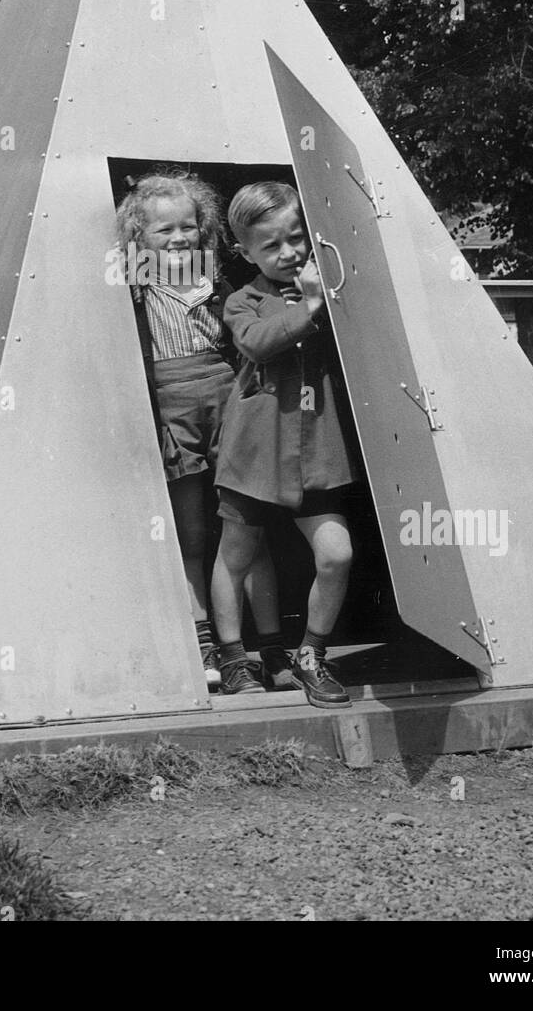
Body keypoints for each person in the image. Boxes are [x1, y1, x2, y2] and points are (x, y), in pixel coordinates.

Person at [115, 171, 296, 695]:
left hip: (230, 404)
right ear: (137, 238)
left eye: (189, 227)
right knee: (191, 533)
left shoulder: (217, 281)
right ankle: (203, 641)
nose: (179, 239)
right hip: (171, 412)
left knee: (248, 527)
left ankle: (268, 647)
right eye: (163, 230)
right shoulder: (133, 286)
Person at [211, 181, 362, 708]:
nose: (289, 253)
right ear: (245, 251)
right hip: (254, 452)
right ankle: (234, 656)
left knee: (336, 555)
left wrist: (324, 298)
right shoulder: (242, 300)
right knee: (237, 556)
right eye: (270, 246)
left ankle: (310, 655)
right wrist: (312, 305)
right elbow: (256, 341)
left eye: (296, 238)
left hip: (318, 454)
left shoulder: (334, 289)